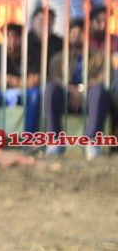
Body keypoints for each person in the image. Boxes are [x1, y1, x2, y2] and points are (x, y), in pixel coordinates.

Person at [44, 19, 118, 159]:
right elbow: (55, 79)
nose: (76, 36)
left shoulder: (101, 56)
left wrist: (81, 89)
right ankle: (54, 141)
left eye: (80, 32)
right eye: (72, 33)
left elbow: (105, 79)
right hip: (67, 98)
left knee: (99, 91)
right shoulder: (59, 58)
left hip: (91, 99)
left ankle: (92, 141)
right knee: (51, 89)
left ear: (87, 34)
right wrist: (72, 89)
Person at [0, 22, 43, 136]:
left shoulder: (32, 52)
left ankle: (29, 139)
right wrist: (22, 82)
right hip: (2, 94)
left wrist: (9, 79)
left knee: (35, 94)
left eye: (16, 37)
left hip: (24, 95)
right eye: (8, 36)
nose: (12, 40)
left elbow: (35, 82)